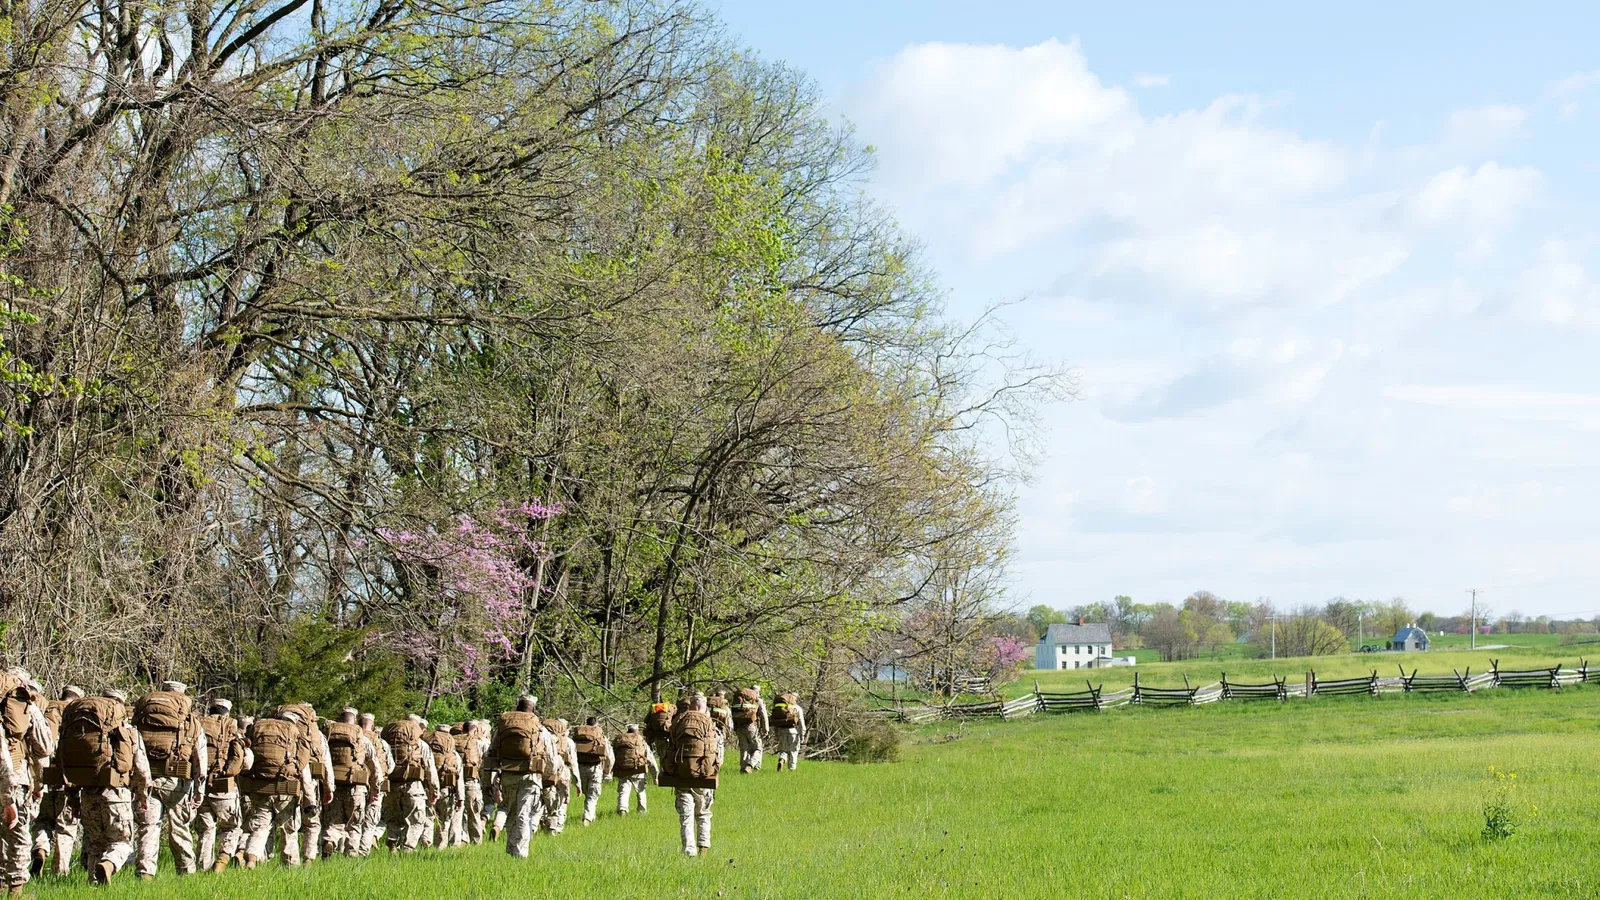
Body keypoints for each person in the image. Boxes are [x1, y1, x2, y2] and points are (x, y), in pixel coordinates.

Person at [60, 689, 148, 885]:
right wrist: (142, 794)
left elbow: (67, 763)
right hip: (116, 793)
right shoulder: (127, 731)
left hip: (87, 793)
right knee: (122, 842)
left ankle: (93, 887)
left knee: (95, 844)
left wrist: (73, 798)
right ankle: (109, 864)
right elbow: (142, 768)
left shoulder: (81, 729)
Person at [133, 679, 207, 879]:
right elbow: (200, 758)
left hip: (147, 778)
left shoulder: (142, 716)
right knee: (179, 829)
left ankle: (145, 874)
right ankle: (186, 873)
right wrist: (200, 788)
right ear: (183, 695)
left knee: (148, 827)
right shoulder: (191, 721)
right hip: (176, 782)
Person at [239, 708, 316, 869]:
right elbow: (304, 774)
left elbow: (247, 757)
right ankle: (290, 866)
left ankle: (251, 857)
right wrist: (310, 801)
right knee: (289, 829)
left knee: (260, 826)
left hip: (260, 786)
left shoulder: (260, 728)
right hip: (284, 789)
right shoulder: (294, 734)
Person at [0, 670, 52, 895]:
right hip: (15, 776)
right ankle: (16, 890)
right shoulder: (26, 707)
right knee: (18, 833)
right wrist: (39, 784)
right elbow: (44, 748)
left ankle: (1, 881)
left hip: (7, 774)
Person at [485, 695, 554, 858]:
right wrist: (548, 778)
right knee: (524, 814)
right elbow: (551, 757)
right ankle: (520, 853)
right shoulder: (540, 729)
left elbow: (491, 752)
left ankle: (511, 849)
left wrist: (489, 780)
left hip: (508, 775)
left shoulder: (504, 726)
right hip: (531, 777)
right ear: (533, 709)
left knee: (512, 812)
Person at [30, 684, 81, 879]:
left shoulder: (46, 709)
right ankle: (60, 873)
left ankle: (40, 849)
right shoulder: (77, 713)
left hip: (44, 775)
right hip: (66, 778)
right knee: (66, 825)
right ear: (76, 698)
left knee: (43, 820)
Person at [659, 693, 719, 857]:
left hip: (681, 774)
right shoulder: (709, 722)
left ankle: (688, 850)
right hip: (702, 775)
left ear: (691, 705)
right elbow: (716, 749)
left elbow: (669, 745)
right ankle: (703, 848)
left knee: (686, 816)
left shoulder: (679, 720)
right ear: (704, 706)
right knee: (703, 813)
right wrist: (715, 768)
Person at [195, 698, 249, 872]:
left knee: (205, 829)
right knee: (232, 826)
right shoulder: (231, 726)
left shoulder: (198, 724)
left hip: (200, 786)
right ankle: (222, 860)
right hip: (224, 786)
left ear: (210, 710)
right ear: (227, 712)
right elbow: (245, 761)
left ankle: (203, 868)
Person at [275, 702, 332, 863]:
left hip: (286, 779)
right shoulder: (316, 735)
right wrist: (329, 788)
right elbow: (326, 763)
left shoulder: (279, 733)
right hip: (311, 782)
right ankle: (308, 858)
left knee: (287, 823)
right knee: (312, 823)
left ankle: (284, 861)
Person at [323, 708, 382, 857]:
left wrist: (325, 786)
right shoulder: (362, 739)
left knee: (333, 821)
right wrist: (375, 789)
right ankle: (351, 853)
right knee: (354, 824)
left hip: (335, 785)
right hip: (356, 787)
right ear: (355, 720)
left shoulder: (328, 736)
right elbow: (374, 766)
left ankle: (330, 840)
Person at [379, 715, 438, 852]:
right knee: (416, 820)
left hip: (392, 785)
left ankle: (392, 840)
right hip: (413, 786)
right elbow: (430, 768)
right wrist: (434, 790)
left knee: (394, 818)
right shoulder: (420, 744)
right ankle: (407, 848)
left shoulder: (389, 741)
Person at [356, 712, 389, 856]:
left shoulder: (355, 737)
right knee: (370, 821)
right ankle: (363, 852)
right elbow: (389, 765)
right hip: (375, 785)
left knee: (352, 820)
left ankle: (345, 849)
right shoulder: (380, 742)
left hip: (355, 782)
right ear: (373, 725)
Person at [424, 724, 463, 847]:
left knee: (428, 816)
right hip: (447, 789)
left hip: (428, 787)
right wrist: (460, 797)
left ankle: (426, 840)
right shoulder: (454, 754)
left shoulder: (426, 748)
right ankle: (439, 847)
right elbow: (459, 777)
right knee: (444, 820)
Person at [540, 718, 580, 836]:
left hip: (546, 771)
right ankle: (557, 828)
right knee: (562, 802)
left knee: (544, 797)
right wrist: (578, 782)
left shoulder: (544, 737)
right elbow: (573, 762)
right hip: (564, 773)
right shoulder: (569, 742)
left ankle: (543, 822)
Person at [571, 717, 611, 826]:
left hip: (580, 767)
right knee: (592, 795)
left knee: (586, 793)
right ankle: (587, 818)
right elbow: (609, 757)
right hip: (596, 768)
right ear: (597, 724)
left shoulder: (578, 736)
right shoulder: (601, 737)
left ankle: (588, 815)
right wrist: (607, 772)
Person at [452, 721, 487, 845]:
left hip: (454, 783)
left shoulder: (453, 741)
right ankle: (476, 842)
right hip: (471, 782)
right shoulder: (478, 743)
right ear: (475, 730)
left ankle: (461, 839)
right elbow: (484, 764)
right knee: (474, 813)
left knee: (458, 813)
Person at [611, 725, 656, 816]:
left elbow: (612, 755)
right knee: (640, 791)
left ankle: (622, 809)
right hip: (638, 770)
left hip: (623, 769)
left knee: (624, 790)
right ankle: (642, 812)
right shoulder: (640, 740)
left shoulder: (620, 739)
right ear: (637, 731)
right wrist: (655, 775)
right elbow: (650, 759)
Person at [730, 685, 768, 774]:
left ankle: (743, 768)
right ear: (757, 692)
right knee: (758, 748)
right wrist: (765, 728)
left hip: (739, 726)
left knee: (744, 748)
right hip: (751, 726)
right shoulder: (758, 700)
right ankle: (751, 765)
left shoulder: (740, 699)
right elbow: (763, 715)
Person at [770, 692, 807, 771]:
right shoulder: (797, 708)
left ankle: (782, 759)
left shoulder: (781, 707)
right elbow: (802, 724)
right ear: (795, 699)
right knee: (793, 751)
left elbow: (776, 721)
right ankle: (791, 769)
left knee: (783, 749)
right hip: (793, 731)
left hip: (781, 730)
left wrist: (776, 733)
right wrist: (802, 736)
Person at [642, 700, 674, 773]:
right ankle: (666, 771)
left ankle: (662, 771)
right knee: (668, 754)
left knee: (661, 755)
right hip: (668, 735)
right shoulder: (672, 708)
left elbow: (645, 720)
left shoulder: (653, 709)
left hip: (657, 736)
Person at [706, 690, 733, 765]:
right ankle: (717, 766)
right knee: (719, 749)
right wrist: (728, 734)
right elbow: (729, 723)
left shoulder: (706, 705)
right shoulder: (725, 707)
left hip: (707, 731)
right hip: (719, 731)